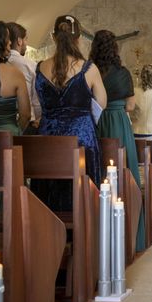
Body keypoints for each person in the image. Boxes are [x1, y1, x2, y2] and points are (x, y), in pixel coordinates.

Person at [89, 30, 145, 250]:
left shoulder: (90, 70)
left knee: (99, 175)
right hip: (119, 124)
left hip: (96, 122)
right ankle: (130, 235)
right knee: (125, 174)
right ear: (115, 48)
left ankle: (99, 236)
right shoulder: (123, 73)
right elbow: (130, 106)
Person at [36, 15, 107, 184]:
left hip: (48, 139)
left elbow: (38, 102)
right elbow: (102, 102)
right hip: (81, 139)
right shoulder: (88, 68)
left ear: (53, 37)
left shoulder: (40, 68)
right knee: (83, 189)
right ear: (79, 38)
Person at [0, 20, 30, 135]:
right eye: (8, 38)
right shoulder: (16, 74)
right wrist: (17, 132)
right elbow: (26, 115)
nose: (10, 42)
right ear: (1, 42)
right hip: (8, 138)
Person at [7, 22, 41, 132]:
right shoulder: (30, 65)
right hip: (27, 124)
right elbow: (36, 101)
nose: (26, 44)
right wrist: (38, 118)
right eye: (25, 39)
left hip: (2, 124)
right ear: (19, 40)